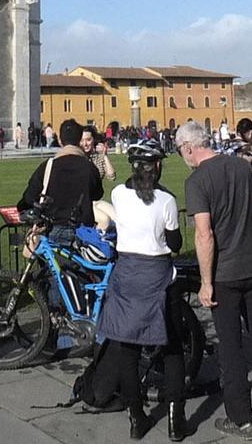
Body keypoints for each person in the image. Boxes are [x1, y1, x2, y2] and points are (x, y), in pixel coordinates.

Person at [178, 121, 252, 439]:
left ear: (189, 147)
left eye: (180, 151)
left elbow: (204, 234)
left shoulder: (197, 180)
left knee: (230, 348)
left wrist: (205, 282)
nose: (182, 157)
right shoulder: (242, 166)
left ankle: (242, 418)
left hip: (225, 273)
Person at [92, 141, 187, 440]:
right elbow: (175, 244)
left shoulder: (119, 194)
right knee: (172, 348)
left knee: (127, 349)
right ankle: (176, 418)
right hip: (157, 275)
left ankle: (136, 417)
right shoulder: (166, 200)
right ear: (157, 167)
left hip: (128, 275)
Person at [17, 119, 103, 239]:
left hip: (52, 229)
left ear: (60, 141)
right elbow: (98, 194)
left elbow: (29, 197)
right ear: (79, 141)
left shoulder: (48, 166)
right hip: (82, 232)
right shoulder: (89, 167)